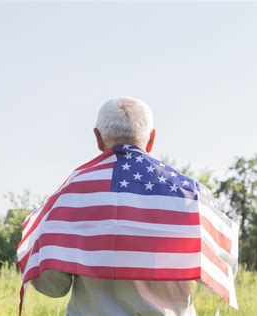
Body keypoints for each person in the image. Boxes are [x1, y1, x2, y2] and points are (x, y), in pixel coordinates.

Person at [31, 96, 196, 316]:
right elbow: (220, 271)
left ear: (98, 138)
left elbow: (53, 286)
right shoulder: (190, 195)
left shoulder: (70, 194)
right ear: (151, 139)